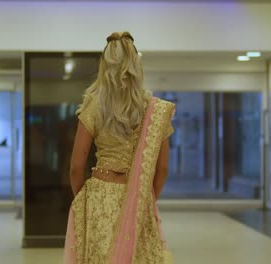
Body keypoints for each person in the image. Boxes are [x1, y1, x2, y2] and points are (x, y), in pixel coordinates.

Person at [63, 32, 175, 264]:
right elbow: (162, 168)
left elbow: (76, 166)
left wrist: (82, 198)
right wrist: (144, 196)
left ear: (104, 65)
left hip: (99, 196)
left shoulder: (93, 105)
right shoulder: (154, 110)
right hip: (139, 198)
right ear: (136, 65)